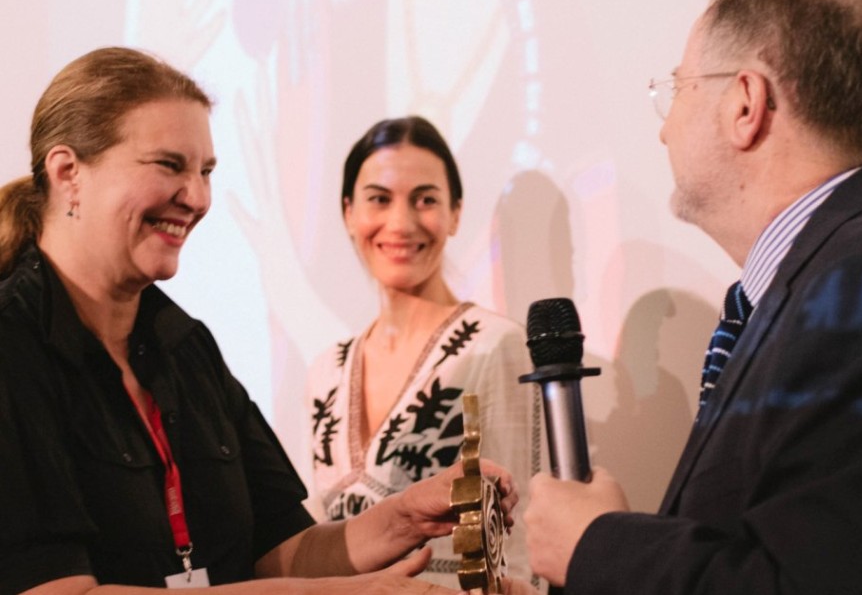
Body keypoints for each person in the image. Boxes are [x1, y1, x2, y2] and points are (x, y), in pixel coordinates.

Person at [0, 46, 517, 595]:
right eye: (169, 165)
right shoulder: (13, 346)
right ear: (67, 174)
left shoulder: (187, 348)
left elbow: (284, 551)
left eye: (206, 171)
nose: (196, 197)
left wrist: (402, 518)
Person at [522, 0, 862, 593]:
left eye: (678, 89)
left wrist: (596, 546)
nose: (664, 131)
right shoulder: (838, 276)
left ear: (744, 104)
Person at [307, 115, 542, 589]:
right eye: (379, 199)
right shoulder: (326, 371)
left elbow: (521, 549)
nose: (401, 222)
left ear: (455, 213)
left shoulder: (496, 345)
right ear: (349, 211)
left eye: (425, 199)